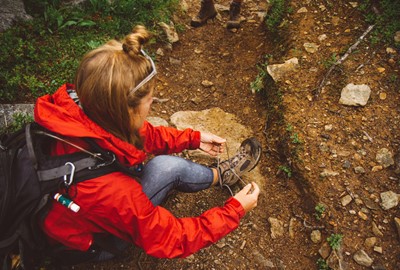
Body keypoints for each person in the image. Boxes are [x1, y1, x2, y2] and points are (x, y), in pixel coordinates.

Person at [34, 25, 261, 266]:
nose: (152, 102)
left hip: (71, 212)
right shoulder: (115, 193)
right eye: (149, 100)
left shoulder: (75, 111)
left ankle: (220, 175)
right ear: (125, 111)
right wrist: (233, 211)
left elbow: (138, 134)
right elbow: (172, 238)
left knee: (166, 166)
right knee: (168, 167)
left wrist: (193, 138)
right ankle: (224, 177)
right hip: (94, 243)